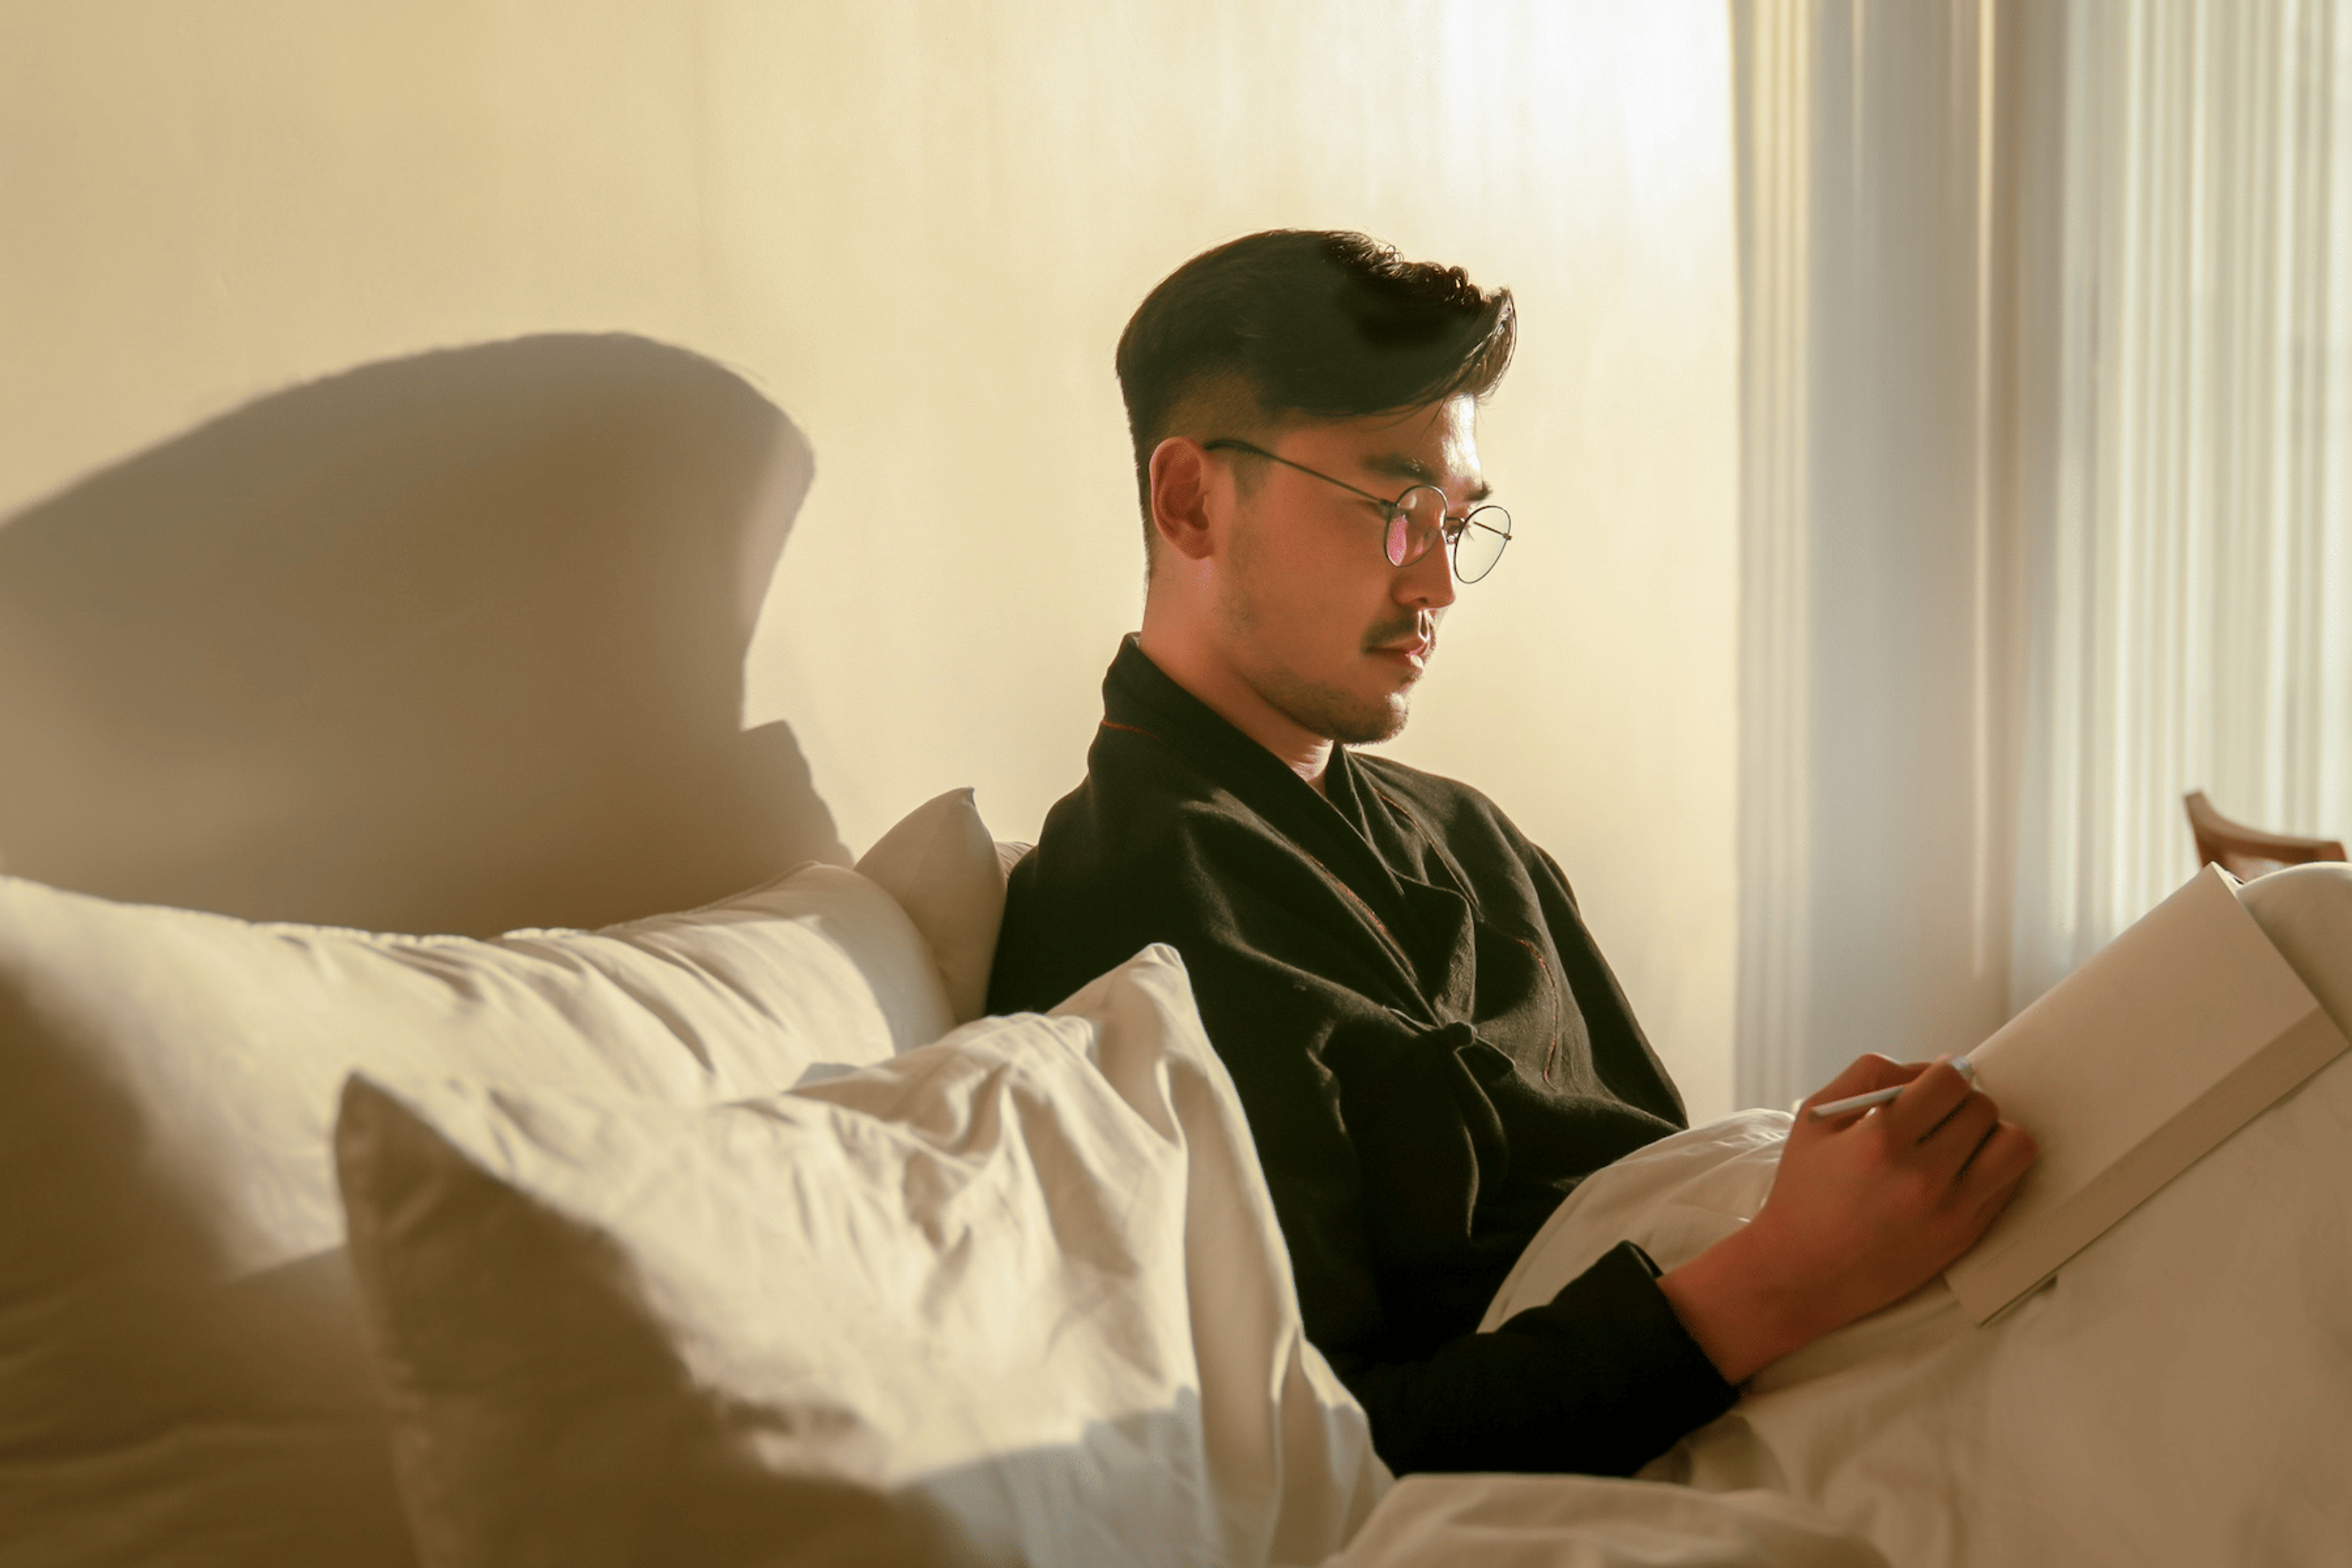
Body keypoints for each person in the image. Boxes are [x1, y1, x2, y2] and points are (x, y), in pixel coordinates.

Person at [986, 230, 2038, 1478]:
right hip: (1709, 1424)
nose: (1437, 580)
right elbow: (1328, 1441)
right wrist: (1790, 1269)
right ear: (1191, 500)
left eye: (1457, 522)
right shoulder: (1142, 916)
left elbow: (1652, 1173)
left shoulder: (1478, 840)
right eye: (1393, 511)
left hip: (1830, 1362)